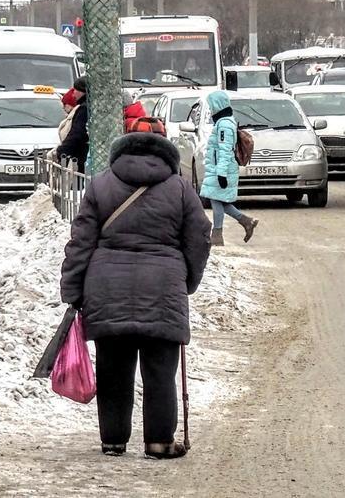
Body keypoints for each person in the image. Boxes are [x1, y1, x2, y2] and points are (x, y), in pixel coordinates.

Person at [60, 130, 211, 460]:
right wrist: (187, 278)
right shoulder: (181, 187)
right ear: (166, 157)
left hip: (107, 286)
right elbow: (200, 237)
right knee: (160, 372)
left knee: (113, 369)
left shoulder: (101, 184)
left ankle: (113, 440)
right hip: (163, 287)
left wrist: (72, 288)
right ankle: (159, 442)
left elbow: (80, 242)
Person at [199, 91, 258, 246]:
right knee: (219, 200)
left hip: (221, 167)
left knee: (216, 199)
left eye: (212, 105)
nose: (211, 109)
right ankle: (246, 221)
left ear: (217, 105)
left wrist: (221, 173)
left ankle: (217, 235)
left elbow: (225, 150)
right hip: (218, 167)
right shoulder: (224, 122)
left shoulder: (224, 124)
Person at [55, 77, 89, 172]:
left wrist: (62, 150)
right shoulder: (90, 106)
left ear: (82, 91)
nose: (73, 94)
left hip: (82, 156)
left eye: (75, 90)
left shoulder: (83, 109)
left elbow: (77, 133)